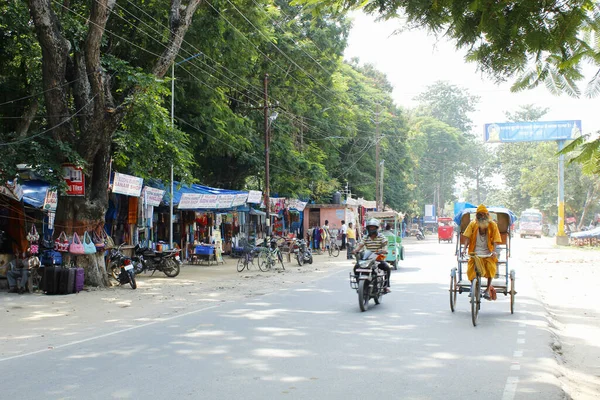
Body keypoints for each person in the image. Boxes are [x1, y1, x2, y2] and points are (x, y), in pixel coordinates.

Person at [463, 204, 502, 300]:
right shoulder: (472, 224)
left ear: (487, 215)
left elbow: (496, 239)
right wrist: (464, 249)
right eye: (479, 215)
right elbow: (467, 237)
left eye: (483, 214)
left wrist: (493, 251)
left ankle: (488, 289)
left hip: (488, 252)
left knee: (491, 268)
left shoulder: (492, 225)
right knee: (470, 269)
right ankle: (474, 287)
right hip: (475, 252)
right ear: (477, 216)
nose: (482, 217)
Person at [353, 218, 391, 293]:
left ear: (376, 228)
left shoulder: (381, 237)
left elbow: (385, 245)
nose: (371, 229)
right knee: (356, 267)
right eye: (370, 227)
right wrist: (355, 250)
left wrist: (384, 250)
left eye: (373, 227)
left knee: (387, 267)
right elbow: (360, 245)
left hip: (378, 257)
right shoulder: (365, 237)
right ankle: (359, 284)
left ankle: (386, 286)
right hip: (368, 258)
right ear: (367, 228)